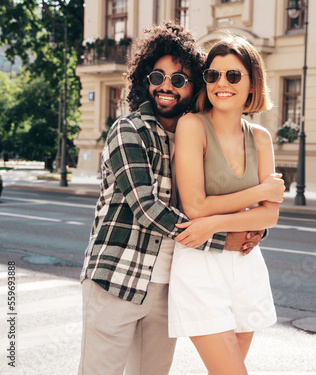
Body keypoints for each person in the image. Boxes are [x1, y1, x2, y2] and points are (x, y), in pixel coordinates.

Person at [78, 21, 283, 375]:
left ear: (192, 86)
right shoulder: (129, 130)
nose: (166, 87)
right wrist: (227, 236)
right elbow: (147, 208)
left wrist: (256, 228)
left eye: (179, 79)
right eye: (157, 78)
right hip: (119, 276)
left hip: (167, 282)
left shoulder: (194, 132)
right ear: (145, 80)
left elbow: (227, 198)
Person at [168, 35, 281, 375]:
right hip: (200, 267)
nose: (221, 83)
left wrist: (213, 223)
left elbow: (270, 214)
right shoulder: (193, 126)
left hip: (246, 266)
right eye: (213, 75)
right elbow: (195, 206)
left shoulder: (261, 138)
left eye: (233, 76)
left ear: (251, 84)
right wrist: (261, 190)